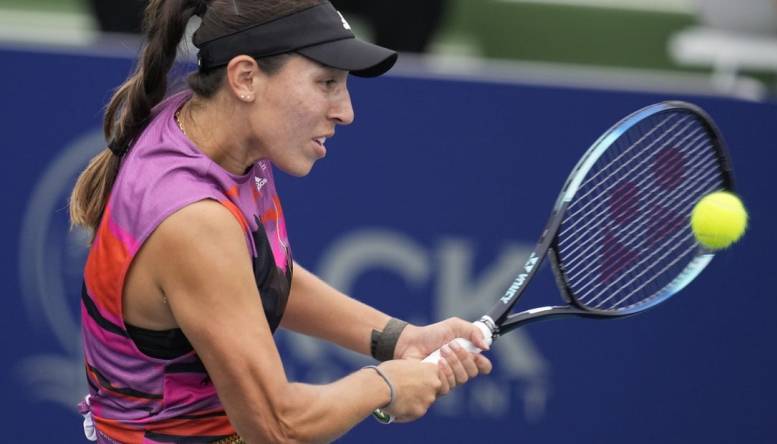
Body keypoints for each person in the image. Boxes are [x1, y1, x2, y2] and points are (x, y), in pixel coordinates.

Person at [69, 0, 493, 442]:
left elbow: (252, 277)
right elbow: (277, 427)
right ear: (246, 78)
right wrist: (384, 385)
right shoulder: (195, 222)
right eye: (326, 82)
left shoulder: (211, 137)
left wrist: (398, 339)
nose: (345, 112)